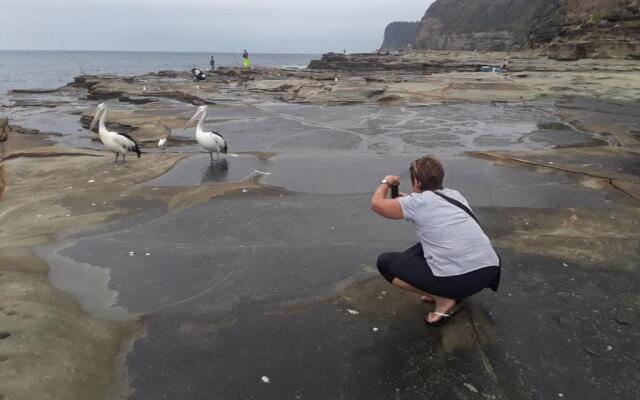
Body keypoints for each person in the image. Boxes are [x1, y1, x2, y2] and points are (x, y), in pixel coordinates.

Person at [370, 156, 501, 326]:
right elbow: (430, 204)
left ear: (417, 182)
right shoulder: (455, 195)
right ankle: (442, 291)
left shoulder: (415, 203)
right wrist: (409, 199)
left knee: (385, 263)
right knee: (426, 246)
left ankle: (443, 299)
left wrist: (386, 182)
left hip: (460, 281)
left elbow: (376, 204)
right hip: (488, 270)